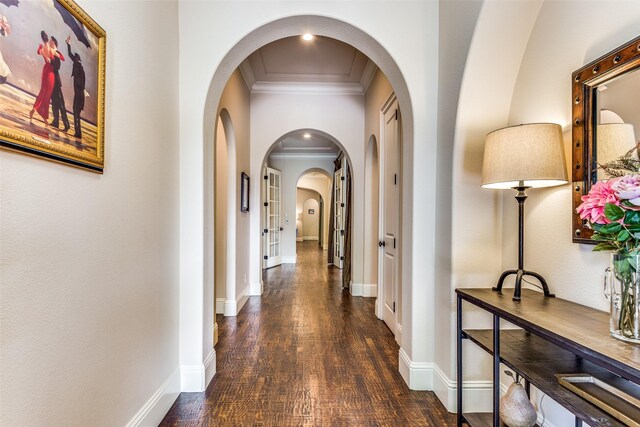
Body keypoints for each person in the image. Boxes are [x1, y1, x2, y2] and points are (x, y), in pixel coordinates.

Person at [29, 31, 55, 123]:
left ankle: (37, 111)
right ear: (47, 38)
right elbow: (56, 58)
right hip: (50, 72)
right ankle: (41, 115)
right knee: (46, 94)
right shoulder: (51, 48)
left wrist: (41, 49)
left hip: (46, 70)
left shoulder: (43, 48)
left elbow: (39, 52)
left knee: (44, 93)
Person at [65, 36, 85, 138]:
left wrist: (68, 44)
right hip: (78, 94)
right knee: (76, 113)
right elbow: (70, 55)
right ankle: (78, 133)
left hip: (78, 95)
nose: (74, 61)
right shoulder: (79, 66)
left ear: (78, 60)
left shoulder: (77, 66)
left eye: (76, 60)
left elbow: (80, 84)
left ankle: (78, 133)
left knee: (76, 113)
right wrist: (68, 44)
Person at [49, 36, 69, 132]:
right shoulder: (51, 53)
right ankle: (55, 122)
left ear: (53, 42)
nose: (49, 42)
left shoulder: (57, 53)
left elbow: (57, 67)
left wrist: (51, 60)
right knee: (54, 103)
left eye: (50, 41)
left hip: (56, 82)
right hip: (52, 81)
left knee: (61, 104)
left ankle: (67, 125)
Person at [0, 15, 11, 84]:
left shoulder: (1, 29)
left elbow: (8, 33)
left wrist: (5, 26)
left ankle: (2, 78)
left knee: (1, 63)